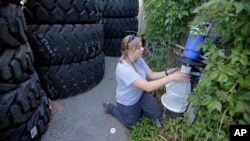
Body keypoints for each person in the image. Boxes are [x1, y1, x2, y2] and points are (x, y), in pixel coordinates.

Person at [103, 35, 190, 128]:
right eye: (138, 48)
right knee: (131, 124)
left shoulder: (139, 60)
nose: (143, 49)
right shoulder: (124, 68)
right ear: (128, 52)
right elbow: (148, 87)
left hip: (140, 95)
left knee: (157, 112)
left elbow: (152, 75)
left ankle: (139, 110)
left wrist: (169, 72)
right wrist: (172, 77)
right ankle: (110, 108)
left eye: (142, 46)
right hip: (128, 102)